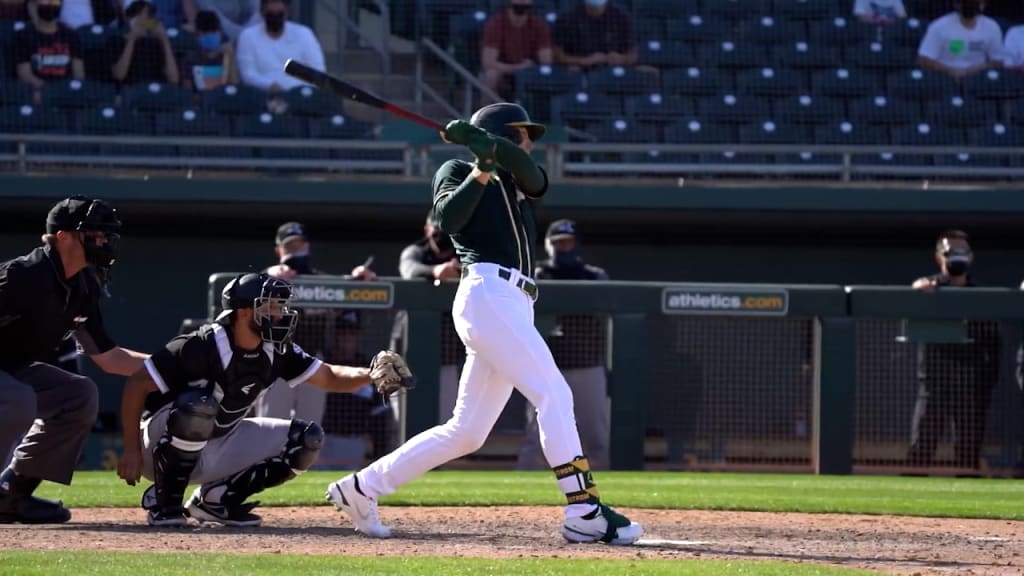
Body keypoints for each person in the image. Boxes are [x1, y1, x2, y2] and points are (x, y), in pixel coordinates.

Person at [326, 103, 642, 545]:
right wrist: (479, 166)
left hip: (513, 300)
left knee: (467, 431)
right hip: (488, 293)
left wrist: (491, 150)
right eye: (523, 133)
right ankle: (583, 508)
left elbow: (537, 178)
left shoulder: (515, 177)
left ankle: (361, 488)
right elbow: (448, 220)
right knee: (553, 392)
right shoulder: (455, 169)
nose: (530, 142)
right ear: (500, 131)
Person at [115, 272, 414, 526]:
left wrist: (370, 374)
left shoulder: (277, 349)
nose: (280, 313)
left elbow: (329, 376)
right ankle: (165, 502)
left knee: (306, 438)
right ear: (244, 312)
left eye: (280, 306)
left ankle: (217, 501)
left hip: (220, 440)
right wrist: (130, 449)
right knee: (199, 406)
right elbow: (136, 385)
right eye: (271, 306)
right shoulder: (200, 344)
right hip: (156, 448)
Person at [0, 195, 149, 524]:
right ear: (63, 237)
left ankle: (11, 494)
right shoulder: (24, 275)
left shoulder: (84, 285)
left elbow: (109, 358)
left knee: (79, 395)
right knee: (17, 397)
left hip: (11, 369)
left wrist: (172, 364)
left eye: (106, 235)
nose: (104, 242)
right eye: (94, 234)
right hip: (8, 378)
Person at [256, 221, 376, 424]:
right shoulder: (270, 279)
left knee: (309, 430)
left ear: (307, 246)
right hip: (274, 359)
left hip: (311, 360)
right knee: (269, 427)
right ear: (279, 251)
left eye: (299, 245)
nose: (296, 250)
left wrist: (362, 278)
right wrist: (267, 274)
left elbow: (351, 297)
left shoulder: (321, 281)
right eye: (290, 246)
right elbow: (247, 293)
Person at [516, 219, 611, 471]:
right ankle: (520, 495)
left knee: (596, 435)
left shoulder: (594, 275)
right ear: (549, 246)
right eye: (559, 243)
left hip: (587, 364)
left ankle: (608, 490)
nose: (564, 248)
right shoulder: (537, 275)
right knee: (536, 435)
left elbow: (606, 309)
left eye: (568, 242)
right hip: (546, 367)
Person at [907, 230, 1000, 470]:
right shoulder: (928, 288)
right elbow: (914, 293)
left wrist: (986, 382)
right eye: (949, 252)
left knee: (968, 454)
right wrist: (918, 288)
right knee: (920, 449)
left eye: (961, 252)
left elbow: (993, 345)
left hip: (970, 386)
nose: (955, 257)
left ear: (970, 257)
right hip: (933, 384)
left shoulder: (981, 298)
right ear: (939, 257)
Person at [394, 210, 463, 420]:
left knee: (447, 421)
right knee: (406, 419)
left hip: (447, 352)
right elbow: (409, 268)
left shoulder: (464, 253)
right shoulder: (416, 251)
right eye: (437, 230)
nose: (441, 235)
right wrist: (435, 271)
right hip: (409, 350)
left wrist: (460, 271)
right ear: (427, 230)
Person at [235, 0, 324, 95]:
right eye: (271, 14)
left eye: (279, 14)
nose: (275, 18)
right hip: (263, 96)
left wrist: (295, 91)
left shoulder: (304, 34)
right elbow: (248, 75)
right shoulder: (248, 36)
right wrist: (270, 86)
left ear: (287, 13)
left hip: (301, 96)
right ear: (262, 13)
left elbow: (318, 70)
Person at [14, 0, 86, 106]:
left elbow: (79, 74)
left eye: (54, 1)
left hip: (66, 93)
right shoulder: (23, 36)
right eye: (45, 1)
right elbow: (24, 74)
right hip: (37, 92)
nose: (50, 4)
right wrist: (50, 90)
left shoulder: (71, 35)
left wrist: (63, 90)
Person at [480, 0, 552, 101]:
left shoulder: (539, 25)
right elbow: (488, 63)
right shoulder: (495, 24)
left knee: (548, 74)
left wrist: (530, 66)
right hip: (504, 73)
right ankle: (487, 115)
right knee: (490, 75)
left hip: (529, 71)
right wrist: (517, 68)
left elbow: (546, 60)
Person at [917, 0, 1004, 80]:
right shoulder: (939, 26)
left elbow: (998, 61)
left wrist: (970, 71)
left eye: (975, 4)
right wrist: (951, 71)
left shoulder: (992, 27)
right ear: (957, 4)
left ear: (982, 5)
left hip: (978, 78)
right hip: (944, 77)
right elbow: (924, 59)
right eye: (966, 3)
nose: (970, 6)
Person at [109, 0, 180, 85]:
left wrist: (164, 40)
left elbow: (174, 79)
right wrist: (132, 40)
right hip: (129, 92)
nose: (142, 22)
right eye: (139, 16)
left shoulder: (156, 44)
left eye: (147, 18)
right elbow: (119, 75)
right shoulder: (116, 41)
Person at [553, 0, 636, 71]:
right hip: (579, 70)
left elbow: (632, 55)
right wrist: (584, 61)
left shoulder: (621, 17)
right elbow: (557, 55)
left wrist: (621, 59)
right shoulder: (566, 18)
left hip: (611, 70)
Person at [180, 9, 239, 91]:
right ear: (197, 35)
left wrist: (231, 57)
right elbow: (187, 92)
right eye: (205, 33)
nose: (210, 35)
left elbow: (234, 86)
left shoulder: (225, 58)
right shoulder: (190, 60)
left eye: (214, 32)